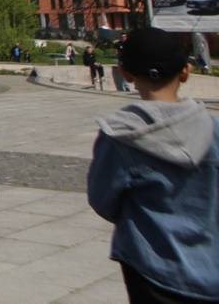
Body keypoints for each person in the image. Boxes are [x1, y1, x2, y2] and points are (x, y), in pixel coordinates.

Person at [88, 28, 218, 304]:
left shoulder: (120, 137)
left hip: (152, 270)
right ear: (186, 71)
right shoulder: (215, 130)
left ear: (126, 73)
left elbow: (103, 201)